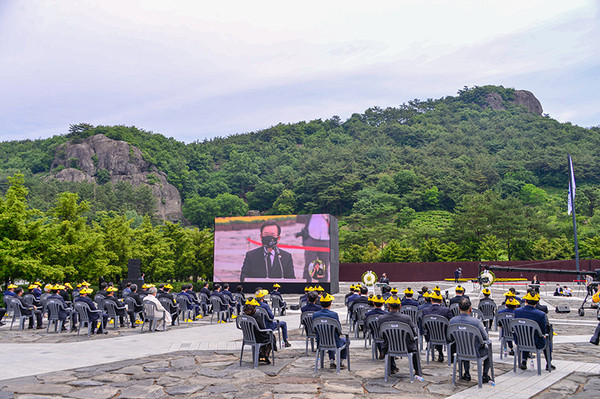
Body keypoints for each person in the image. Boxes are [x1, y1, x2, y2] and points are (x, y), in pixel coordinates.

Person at [449, 298, 492, 383]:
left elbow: (450, 337)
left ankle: (467, 373)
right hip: (476, 351)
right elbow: (486, 338)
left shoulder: (452, 321)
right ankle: (484, 375)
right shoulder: (476, 322)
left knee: (464, 344)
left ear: (459, 308)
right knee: (489, 350)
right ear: (471, 309)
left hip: (460, 350)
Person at [377, 296, 422, 377]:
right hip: (406, 346)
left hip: (389, 346)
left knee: (388, 341)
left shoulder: (382, 318)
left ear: (388, 306)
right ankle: (417, 369)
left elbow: (380, 333)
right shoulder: (406, 318)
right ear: (400, 306)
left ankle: (391, 368)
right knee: (414, 343)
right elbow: (413, 333)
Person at [514, 291, 554, 370]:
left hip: (520, 340)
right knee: (547, 339)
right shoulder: (541, 315)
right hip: (535, 342)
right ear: (536, 303)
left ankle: (524, 360)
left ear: (525, 301)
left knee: (525, 334)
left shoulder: (517, 311)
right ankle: (548, 363)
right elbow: (543, 331)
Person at [313, 293, 347, 369]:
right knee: (344, 340)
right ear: (330, 303)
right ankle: (340, 362)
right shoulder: (334, 315)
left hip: (320, 341)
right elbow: (339, 329)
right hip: (334, 342)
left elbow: (314, 329)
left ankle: (332, 361)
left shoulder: (315, 315)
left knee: (329, 337)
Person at [297, 214, 330, 282]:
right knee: (309, 264)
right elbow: (301, 216)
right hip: (311, 239)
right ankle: (306, 286)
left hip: (326, 240)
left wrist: (327, 216)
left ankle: (322, 287)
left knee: (324, 266)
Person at [422, 290, 453, 362]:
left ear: (431, 299)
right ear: (441, 300)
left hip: (431, 336)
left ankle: (440, 353)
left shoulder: (425, 310)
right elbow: (451, 322)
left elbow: (424, 324)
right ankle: (451, 355)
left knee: (436, 331)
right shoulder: (446, 310)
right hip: (445, 336)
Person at [244, 299, 275, 364]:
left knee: (265, 336)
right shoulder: (257, 316)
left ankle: (262, 355)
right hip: (258, 338)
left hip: (248, 338)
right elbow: (262, 328)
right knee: (271, 337)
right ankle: (265, 355)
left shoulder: (243, 317)